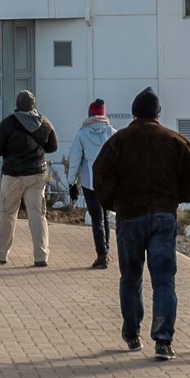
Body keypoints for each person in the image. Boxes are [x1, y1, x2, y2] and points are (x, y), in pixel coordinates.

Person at [89, 88, 190, 358]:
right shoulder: (176, 140)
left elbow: (100, 173)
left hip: (129, 217)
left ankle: (132, 334)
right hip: (164, 216)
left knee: (130, 278)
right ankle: (163, 339)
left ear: (134, 112)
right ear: (158, 113)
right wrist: (178, 198)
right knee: (164, 280)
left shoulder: (119, 141)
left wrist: (112, 203)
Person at [0, 90, 59, 267]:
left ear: (17, 104)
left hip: (13, 175)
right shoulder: (44, 122)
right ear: (33, 105)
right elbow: (53, 147)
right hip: (37, 175)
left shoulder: (8, 124)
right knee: (37, 215)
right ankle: (41, 256)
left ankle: (0, 253)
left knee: (8, 213)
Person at [63, 98, 115, 269]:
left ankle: (101, 255)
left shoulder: (82, 134)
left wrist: (72, 184)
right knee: (105, 217)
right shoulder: (112, 133)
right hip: (108, 182)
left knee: (96, 219)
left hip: (90, 183)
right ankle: (106, 252)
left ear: (90, 114)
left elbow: (75, 161)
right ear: (103, 114)